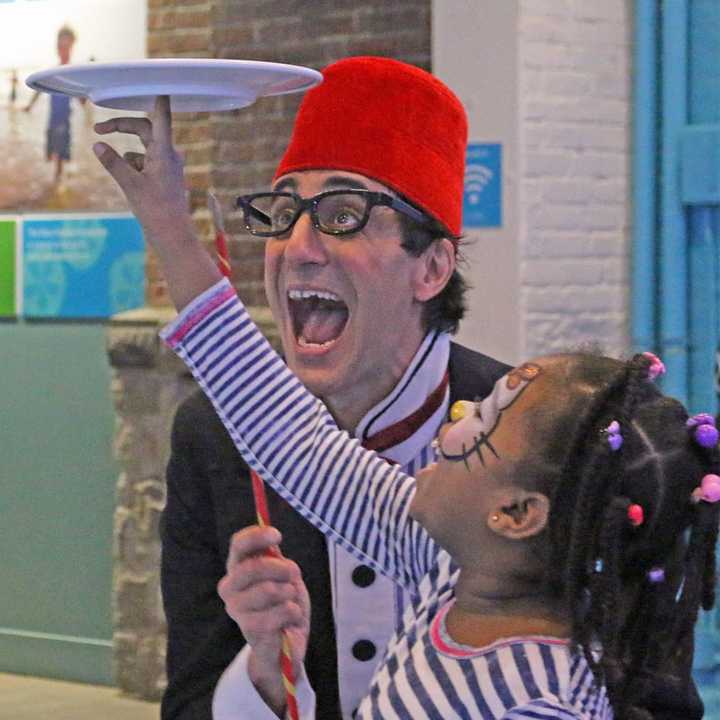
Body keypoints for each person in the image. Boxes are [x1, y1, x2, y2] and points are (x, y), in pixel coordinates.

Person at [93, 87, 710, 719]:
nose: (451, 430)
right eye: (284, 211)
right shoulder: (448, 560)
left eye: (343, 214)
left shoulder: (544, 692)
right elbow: (287, 437)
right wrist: (168, 222)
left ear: (518, 511)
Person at [96, 57, 510, 720]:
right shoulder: (213, 436)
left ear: (431, 266)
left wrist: (171, 231)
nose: (297, 244)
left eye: (343, 214)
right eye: (282, 211)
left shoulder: (525, 433)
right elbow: (191, 703)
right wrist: (262, 673)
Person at [25, 25, 78, 184]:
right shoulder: (53, 71)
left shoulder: (73, 72)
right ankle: (57, 181)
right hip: (53, 118)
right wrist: (30, 105)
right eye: (60, 46)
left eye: (66, 46)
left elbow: (83, 97)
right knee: (50, 151)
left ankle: (58, 180)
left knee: (61, 153)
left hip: (64, 118)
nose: (62, 49)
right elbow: (39, 88)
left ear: (72, 46)